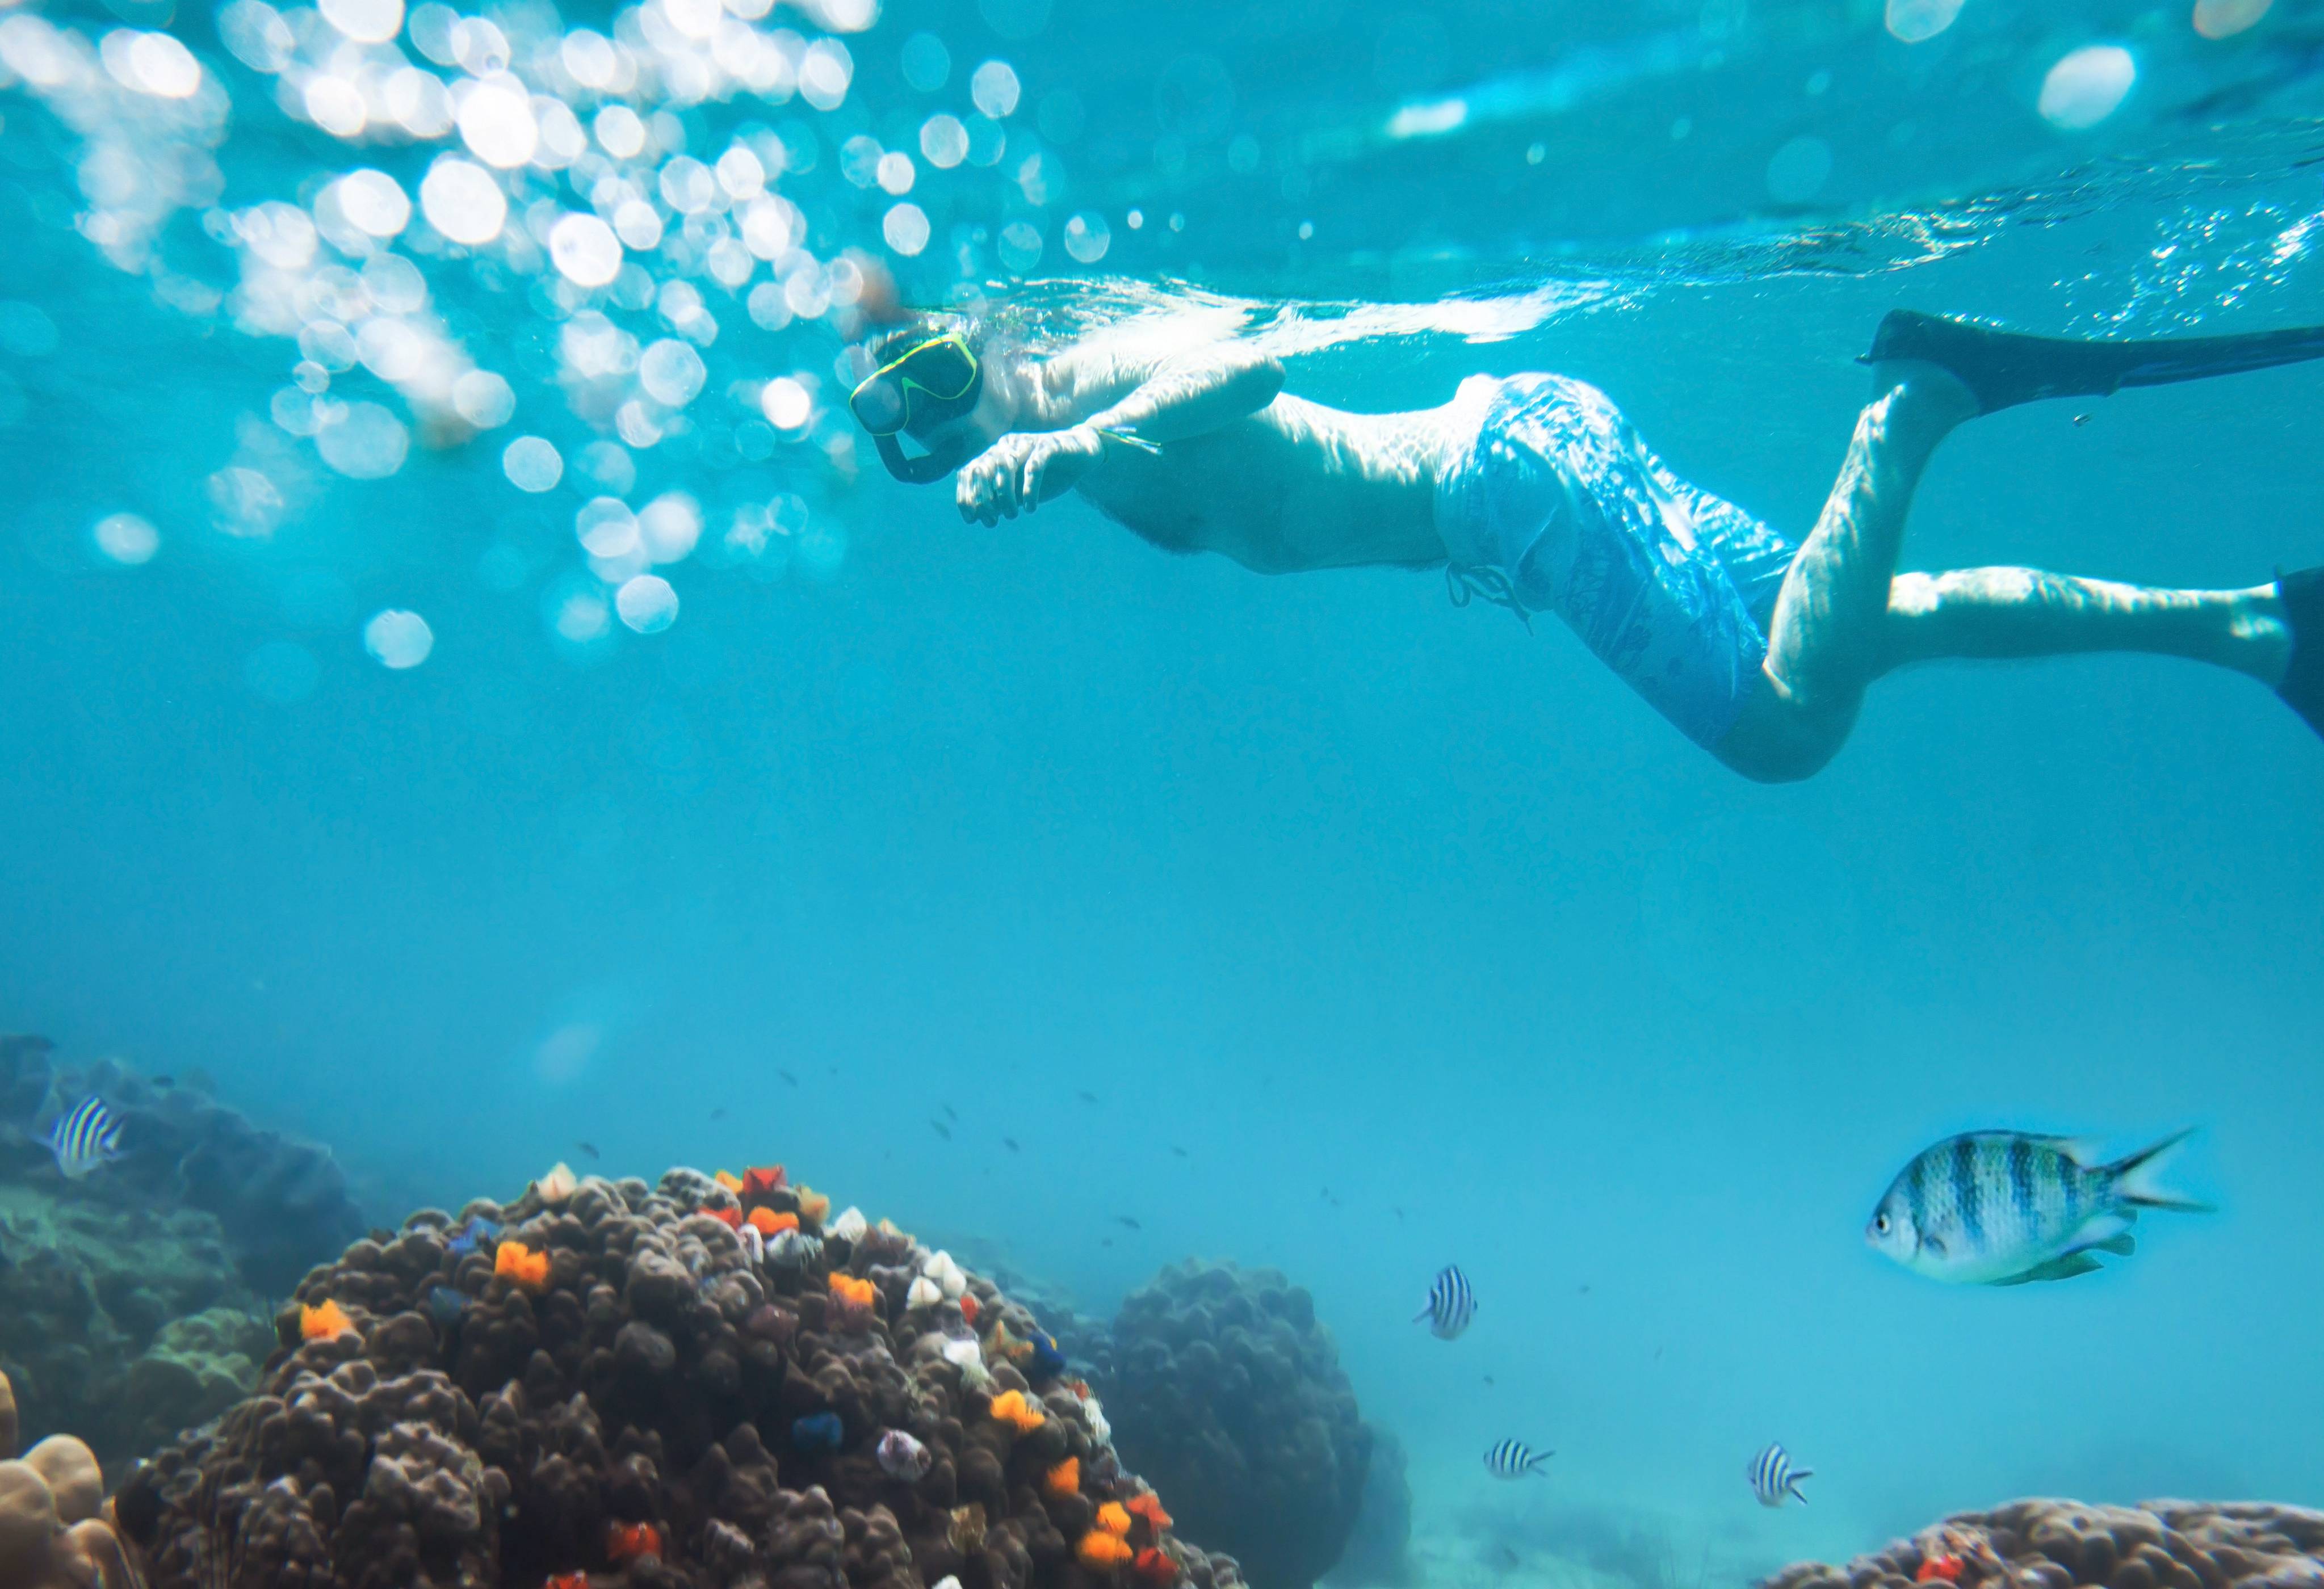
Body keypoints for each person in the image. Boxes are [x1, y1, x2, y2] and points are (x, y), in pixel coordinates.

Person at [844, 309, 2324, 781]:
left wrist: (1078, 442)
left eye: (946, 366)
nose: (947, 413)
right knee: (1871, 618)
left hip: (1510, 486)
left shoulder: (1099, 371)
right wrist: (1054, 455)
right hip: (1530, 445)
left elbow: (1247, 368)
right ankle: (2257, 628)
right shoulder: (1050, 440)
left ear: (998, 340)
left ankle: (1921, 400)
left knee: (1783, 732)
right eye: (909, 415)